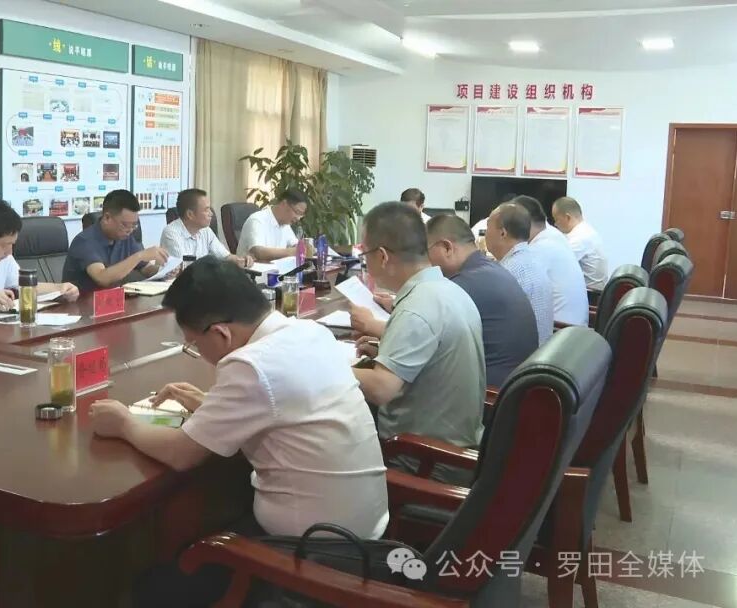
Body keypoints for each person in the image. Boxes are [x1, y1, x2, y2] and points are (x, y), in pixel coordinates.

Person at [90, 258, 388, 606]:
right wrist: (211, 406)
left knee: (153, 588)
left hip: (315, 556)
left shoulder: (251, 364)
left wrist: (124, 423)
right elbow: (280, 406)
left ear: (221, 333)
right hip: (366, 536)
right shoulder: (308, 333)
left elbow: (180, 454)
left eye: (194, 344)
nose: (197, 353)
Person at [350, 202, 485, 482]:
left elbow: (381, 389)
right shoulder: (449, 290)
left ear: (382, 256)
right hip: (457, 445)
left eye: (365, 254)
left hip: (422, 460)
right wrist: (385, 352)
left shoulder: (417, 308)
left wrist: (326, 364)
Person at [425, 215, 539, 387]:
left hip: (490, 392)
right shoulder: (490, 269)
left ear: (447, 248)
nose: (426, 260)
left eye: (425, 251)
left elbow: (419, 335)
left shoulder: (462, 284)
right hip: (515, 383)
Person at [61, 189, 172, 292]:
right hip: (82, 303)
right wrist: (139, 256)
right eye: (125, 225)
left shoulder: (125, 237)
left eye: (134, 225)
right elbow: (102, 278)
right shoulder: (85, 242)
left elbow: (145, 268)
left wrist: (164, 271)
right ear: (107, 218)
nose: (130, 230)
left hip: (113, 300)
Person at [511, 195, 589, 326]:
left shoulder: (538, 249)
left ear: (523, 223)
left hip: (560, 329)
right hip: (576, 329)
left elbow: (513, 291)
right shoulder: (554, 235)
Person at [484, 204, 555, 345]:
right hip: (543, 351)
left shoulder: (506, 273)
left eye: (487, 228)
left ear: (502, 233)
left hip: (523, 355)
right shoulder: (535, 260)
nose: (485, 234)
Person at [160, 189, 253, 267]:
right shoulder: (171, 233)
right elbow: (183, 269)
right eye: (206, 210)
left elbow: (226, 257)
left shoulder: (206, 231)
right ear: (190, 214)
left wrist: (241, 260)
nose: (211, 214)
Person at [552, 196, 609, 290]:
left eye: (556, 219)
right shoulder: (585, 230)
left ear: (567, 217)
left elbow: (556, 267)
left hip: (590, 294)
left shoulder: (580, 238)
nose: (555, 224)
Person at [235, 189, 306, 261]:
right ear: (284, 204)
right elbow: (259, 253)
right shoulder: (257, 220)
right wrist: (291, 252)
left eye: (301, 215)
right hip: (253, 267)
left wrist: (302, 248)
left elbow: (295, 245)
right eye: (297, 212)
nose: (298, 218)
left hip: (276, 267)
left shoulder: (285, 225)